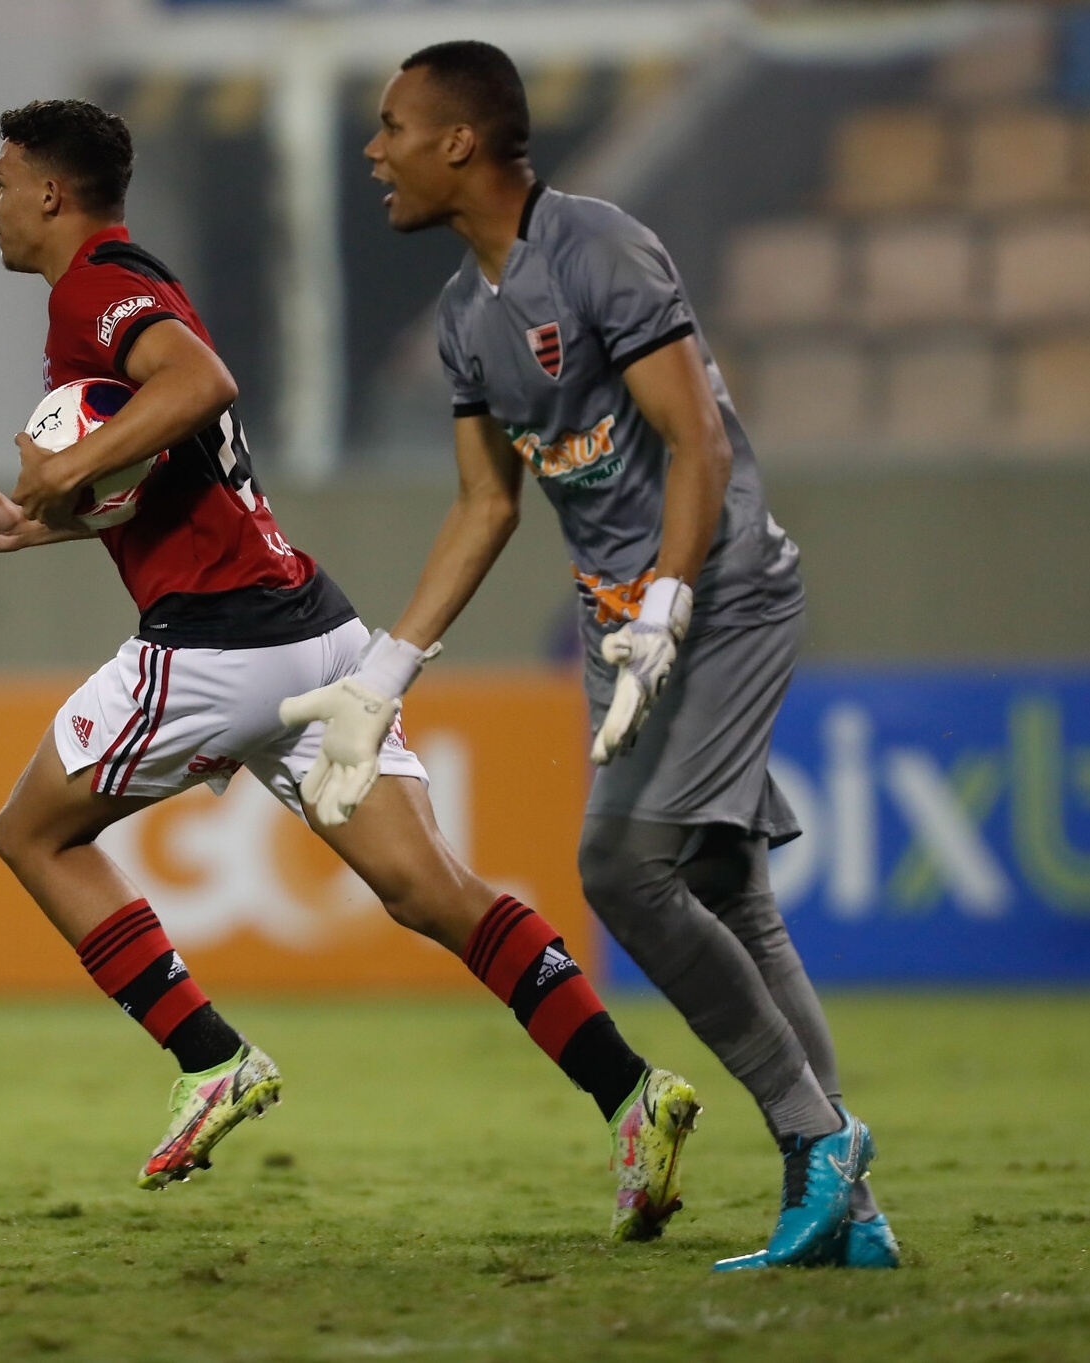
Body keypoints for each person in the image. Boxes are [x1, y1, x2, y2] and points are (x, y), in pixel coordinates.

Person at [0, 97, 699, 1241]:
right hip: (312, 631)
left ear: (51, 193)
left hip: (213, 645)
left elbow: (200, 386)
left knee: (30, 833)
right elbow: (169, 471)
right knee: (428, 888)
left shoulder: (94, 286)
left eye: (1, 178)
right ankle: (631, 1091)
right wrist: (33, 518)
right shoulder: (118, 288)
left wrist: (61, 476)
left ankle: (210, 1057)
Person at [285, 40, 898, 1271]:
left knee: (618, 869)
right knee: (721, 888)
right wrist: (384, 673)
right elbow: (483, 508)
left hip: (714, 593)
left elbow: (698, 447)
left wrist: (670, 598)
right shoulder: (465, 318)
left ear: (459, 141)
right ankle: (847, 1210)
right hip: (619, 621)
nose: (373, 150)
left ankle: (818, 1138)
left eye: (393, 126)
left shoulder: (600, 248)